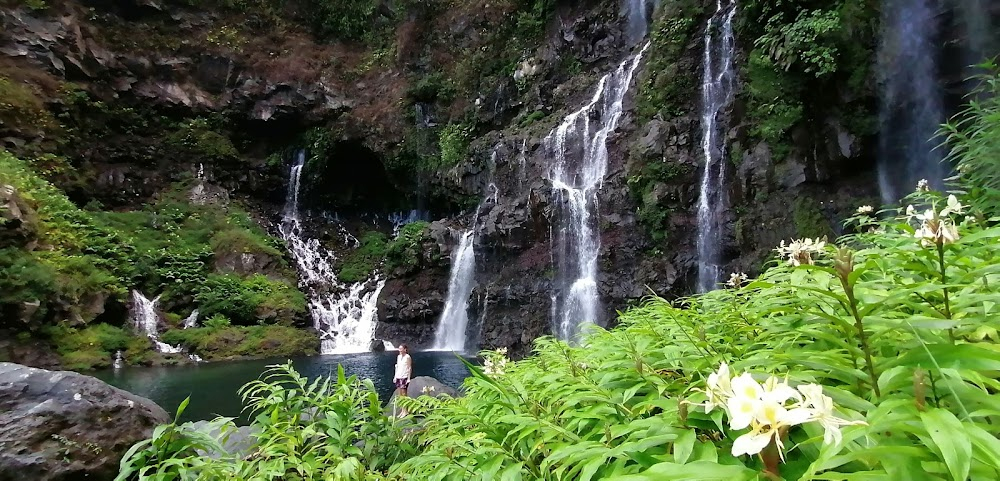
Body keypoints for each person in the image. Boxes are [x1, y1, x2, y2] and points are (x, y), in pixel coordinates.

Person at [393, 344, 413, 417]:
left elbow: (409, 368)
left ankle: (406, 411)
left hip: (404, 377)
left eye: (401, 349)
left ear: (405, 349)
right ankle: (402, 410)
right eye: (399, 349)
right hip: (398, 376)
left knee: (404, 394)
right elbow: (397, 367)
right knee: (400, 394)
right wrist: (395, 377)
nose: (400, 350)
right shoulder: (398, 357)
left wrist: (408, 378)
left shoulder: (408, 357)